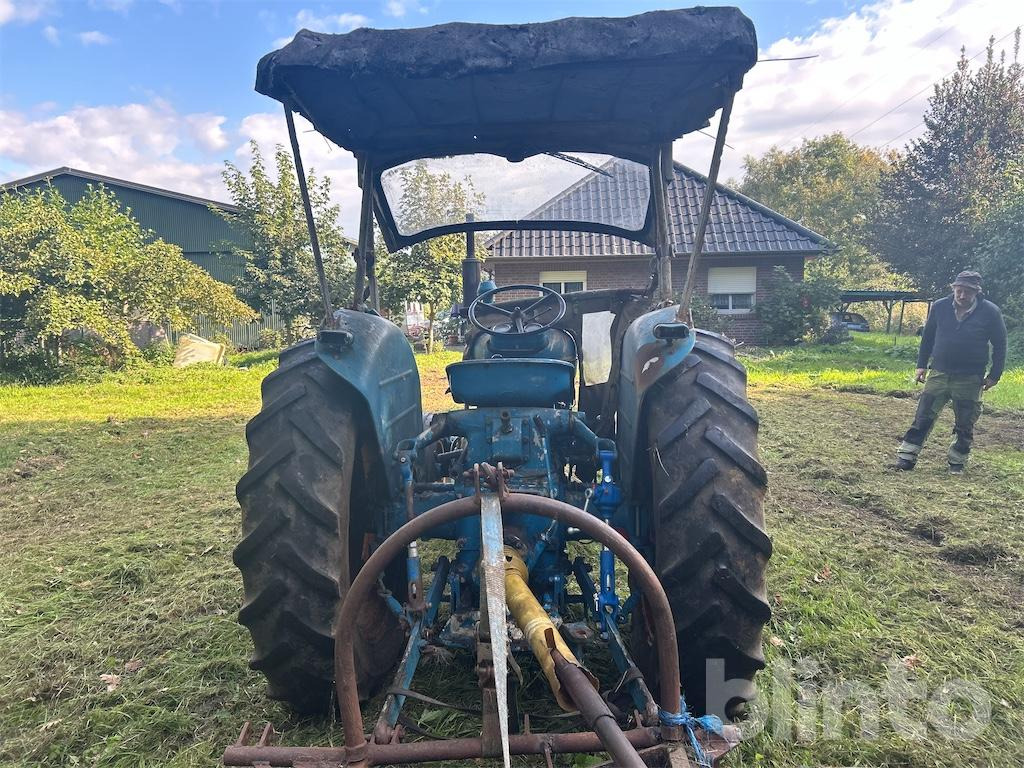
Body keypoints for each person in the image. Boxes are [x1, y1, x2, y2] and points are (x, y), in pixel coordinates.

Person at [895, 270, 1006, 473]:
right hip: (939, 372)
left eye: (967, 292)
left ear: (977, 292)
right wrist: (921, 365)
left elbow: (1000, 345)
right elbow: (928, 337)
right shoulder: (940, 307)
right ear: (954, 289)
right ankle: (907, 457)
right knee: (923, 416)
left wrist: (994, 375)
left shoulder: (991, 312)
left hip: (970, 377)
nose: (962, 296)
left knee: (965, 422)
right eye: (959, 291)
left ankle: (957, 462)